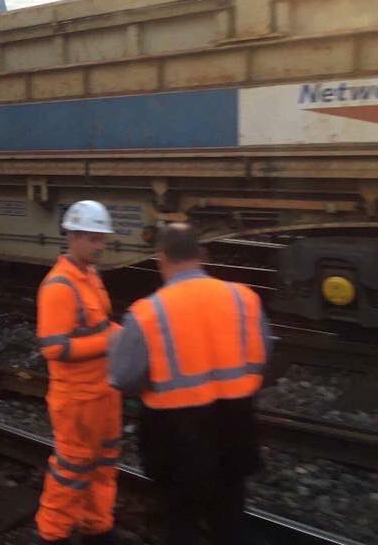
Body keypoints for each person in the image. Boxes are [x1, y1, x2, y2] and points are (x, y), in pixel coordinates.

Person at [109, 223, 272, 545]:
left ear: (160, 258)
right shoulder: (243, 298)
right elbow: (263, 353)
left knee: (180, 521)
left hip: (175, 438)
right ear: (201, 255)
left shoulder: (147, 313)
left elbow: (124, 378)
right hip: (235, 427)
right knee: (230, 519)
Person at [36, 200, 122, 545]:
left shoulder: (91, 277)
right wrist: (111, 340)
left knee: (103, 467)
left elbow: (99, 327)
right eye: (92, 239)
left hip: (103, 394)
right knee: (70, 473)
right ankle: (51, 535)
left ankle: (97, 528)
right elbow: (54, 348)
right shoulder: (59, 285)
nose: (99, 246)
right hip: (76, 401)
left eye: (102, 239)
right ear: (72, 237)